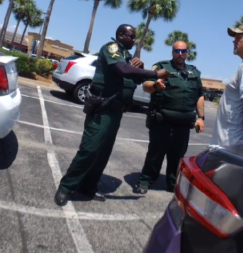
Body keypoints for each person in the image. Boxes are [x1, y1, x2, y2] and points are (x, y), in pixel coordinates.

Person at [55, 24, 169, 206]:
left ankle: (88, 186)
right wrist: (155, 72)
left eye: (134, 37)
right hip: (102, 108)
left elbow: (137, 78)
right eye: (131, 36)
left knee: (103, 153)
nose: (134, 40)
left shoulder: (127, 56)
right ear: (121, 35)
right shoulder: (112, 49)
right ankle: (66, 187)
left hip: (116, 111)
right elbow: (122, 70)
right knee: (90, 149)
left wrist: (143, 67)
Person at [136, 41, 205, 194]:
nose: (180, 54)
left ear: (187, 52)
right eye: (177, 51)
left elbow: (199, 95)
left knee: (177, 157)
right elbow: (146, 85)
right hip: (162, 122)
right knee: (155, 154)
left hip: (184, 124)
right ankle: (145, 180)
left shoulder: (194, 72)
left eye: (183, 51)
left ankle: (173, 183)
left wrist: (201, 117)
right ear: (172, 52)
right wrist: (155, 86)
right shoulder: (162, 67)